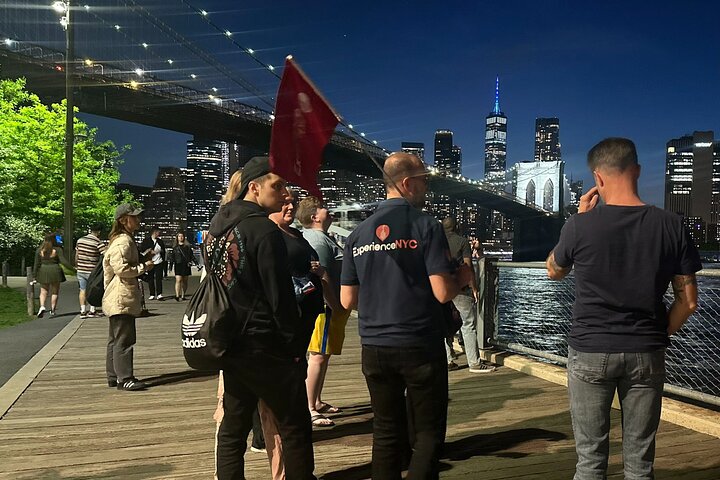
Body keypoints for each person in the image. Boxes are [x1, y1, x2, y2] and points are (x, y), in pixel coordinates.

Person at [546, 138, 701, 479]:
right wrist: (657, 332)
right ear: (638, 171)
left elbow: (554, 271)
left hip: (590, 350)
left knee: (590, 461)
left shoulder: (579, 225)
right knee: (640, 465)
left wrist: (579, 218)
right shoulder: (671, 225)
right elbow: (688, 302)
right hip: (645, 350)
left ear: (597, 177)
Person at [340, 152, 472, 479]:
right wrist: (463, 276)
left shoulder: (358, 234)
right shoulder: (425, 225)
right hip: (418, 343)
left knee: (386, 431)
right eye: (424, 180)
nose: (427, 186)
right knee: (427, 434)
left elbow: (347, 299)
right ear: (408, 183)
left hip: (374, 346)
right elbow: (442, 292)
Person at [210, 157, 316, 480]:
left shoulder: (217, 228)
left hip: (230, 341)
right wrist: (294, 346)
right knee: (294, 424)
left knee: (233, 427)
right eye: (278, 186)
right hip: (266, 344)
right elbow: (279, 297)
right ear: (254, 188)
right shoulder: (264, 230)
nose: (285, 193)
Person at [296, 196, 350, 427]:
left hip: (326, 305)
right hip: (326, 307)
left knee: (322, 354)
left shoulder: (318, 237)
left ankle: (315, 400)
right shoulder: (318, 240)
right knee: (317, 356)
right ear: (314, 216)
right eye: (323, 208)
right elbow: (322, 276)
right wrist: (335, 305)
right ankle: (309, 407)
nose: (329, 210)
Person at [102, 203, 155, 391]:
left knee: (115, 339)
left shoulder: (120, 240)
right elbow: (122, 269)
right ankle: (125, 378)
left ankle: (113, 376)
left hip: (117, 296)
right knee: (124, 339)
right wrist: (144, 267)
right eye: (135, 217)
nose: (138, 220)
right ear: (124, 220)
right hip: (121, 296)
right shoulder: (123, 241)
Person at [442, 217, 496, 374]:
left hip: (441, 288)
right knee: (468, 324)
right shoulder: (462, 241)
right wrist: (474, 286)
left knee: (444, 323)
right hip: (460, 288)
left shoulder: (436, 242)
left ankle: (448, 361)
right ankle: (474, 363)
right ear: (457, 226)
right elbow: (467, 265)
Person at [33, 234, 74, 317]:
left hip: (43, 271)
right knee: (55, 291)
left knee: (43, 291)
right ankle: (52, 310)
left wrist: (34, 275)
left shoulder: (40, 250)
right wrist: (73, 269)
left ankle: (42, 306)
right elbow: (63, 261)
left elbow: (36, 264)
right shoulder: (57, 250)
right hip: (55, 271)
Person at [75, 224, 107, 318]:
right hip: (92, 271)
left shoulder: (80, 240)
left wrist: (77, 265)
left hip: (81, 269)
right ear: (99, 232)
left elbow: (77, 254)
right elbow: (106, 255)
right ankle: (92, 310)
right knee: (92, 290)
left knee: (82, 290)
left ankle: (82, 311)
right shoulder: (98, 242)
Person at [139, 226, 166, 300]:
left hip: (159, 261)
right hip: (150, 261)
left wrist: (161, 254)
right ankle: (152, 293)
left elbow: (163, 250)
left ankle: (159, 294)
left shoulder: (160, 241)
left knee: (159, 278)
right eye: (158, 232)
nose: (159, 233)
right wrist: (149, 251)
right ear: (154, 232)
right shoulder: (146, 241)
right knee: (150, 278)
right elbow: (142, 250)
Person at [170, 231, 198, 301]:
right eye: (179, 236)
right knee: (178, 280)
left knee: (185, 281)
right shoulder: (175, 247)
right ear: (177, 238)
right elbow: (172, 257)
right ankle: (177, 295)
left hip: (186, 265)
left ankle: (183, 295)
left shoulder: (188, 247)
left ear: (184, 237)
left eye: (182, 236)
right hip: (178, 264)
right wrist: (170, 266)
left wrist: (196, 263)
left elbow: (191, 256)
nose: (181, 237)